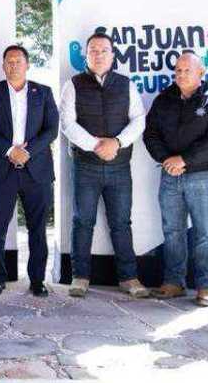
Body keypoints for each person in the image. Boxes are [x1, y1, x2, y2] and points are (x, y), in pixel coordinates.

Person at [60, 32, 149, 299]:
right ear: (86, 55)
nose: (98, 55)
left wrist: (117, 143)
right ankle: (80, 277)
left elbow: (138, 119)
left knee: (121, 222)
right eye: (93, 50)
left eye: (103, 50)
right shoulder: (72, 84)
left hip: (119, 166)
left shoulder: (126, 84)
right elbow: (67, 124)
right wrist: (97, 145)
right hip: (85, 165)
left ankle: (129, 278)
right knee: (82, 221)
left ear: (112, 55)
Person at [143, 51, 208, 307]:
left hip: (201, 177)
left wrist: (184, 159)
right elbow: (151, 134)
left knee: (204, 233)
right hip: (169, 176)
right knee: (173, 231)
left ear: (201, 73)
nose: (181, 75)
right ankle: (174, 282)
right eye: (178, 70)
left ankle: (205, 285)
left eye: (187, 70)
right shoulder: (164, 100)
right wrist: (167, 160)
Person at [0, 44, 58, 297]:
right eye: (9, 62)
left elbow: (51, 129)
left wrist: (28, 150)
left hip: (37, 171)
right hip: (2, 169)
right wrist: (10, 151)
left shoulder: (43, 92)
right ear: (3, 66)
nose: (14, 65)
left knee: (37, 229)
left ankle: (37, 281)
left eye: (18, 61)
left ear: (27, 65)